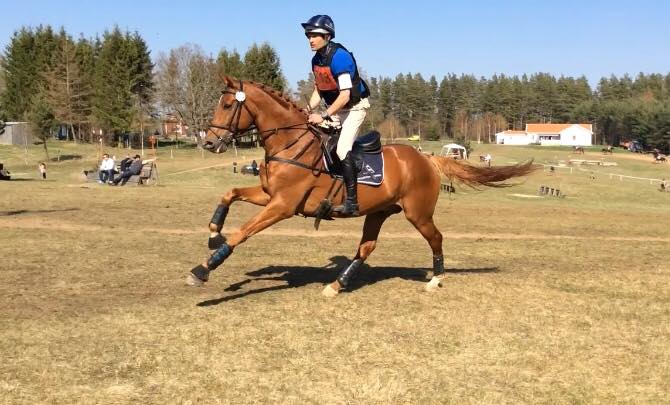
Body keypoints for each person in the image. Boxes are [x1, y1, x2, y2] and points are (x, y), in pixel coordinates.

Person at [302, 14, 370, 216]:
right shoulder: (316, 59)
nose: (311, 39)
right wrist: (306, 111)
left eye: (315, 35)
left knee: (341, 150)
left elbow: (344, 96)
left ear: (328, 36)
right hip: (337, 109)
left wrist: (322, 115)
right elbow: (319, 91)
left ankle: (352, 202)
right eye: (309, 35)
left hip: (354, 108)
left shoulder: (340, 57)